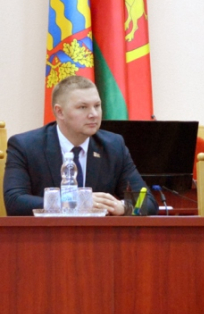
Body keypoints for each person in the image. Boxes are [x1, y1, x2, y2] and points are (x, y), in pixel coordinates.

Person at [3, 76, 158, 216]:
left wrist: (123, 207)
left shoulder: (113, 146)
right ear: (60, 112)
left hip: (97, 237)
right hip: (45, 236)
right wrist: (73, 202)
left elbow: (148, 202)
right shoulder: (25, 146)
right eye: (83, 107)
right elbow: (14, 202)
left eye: (97, 105)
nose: (94, 114)